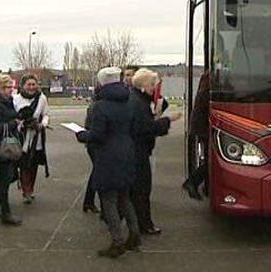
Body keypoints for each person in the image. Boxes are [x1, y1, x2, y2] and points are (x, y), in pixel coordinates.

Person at [76, 67, 140, 258]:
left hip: (108, 156)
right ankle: (134, 234)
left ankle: (117, 241)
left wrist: (82, 135)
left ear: (101, 82)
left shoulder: (100, 105)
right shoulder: (130, 100)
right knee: (124, 197)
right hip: (127, 151)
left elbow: (97, 135)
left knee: (109, 199)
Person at [129, 68, 182, 235]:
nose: (154, 88)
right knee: (142, 189)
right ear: (144, 85)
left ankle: (140, 223)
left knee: (137, 190)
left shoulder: (137, 100)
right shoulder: (139, 103)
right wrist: (167, 120)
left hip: (135, 150)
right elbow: (147, 128)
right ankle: (143, 225)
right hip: (138, 152)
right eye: (152, 84)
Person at [0, 74, 23, 226]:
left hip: (4, 144)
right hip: (0, 146)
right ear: (0, 88)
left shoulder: (7, 102)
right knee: (3, 179)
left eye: (12, 87)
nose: (11, 91)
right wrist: (14, 123)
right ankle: (5, 213)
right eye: (8, 88)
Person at [13, 74, 50, 204]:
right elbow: (13, 117)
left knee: (33, 163)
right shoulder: (16, 99)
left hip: (36, 136)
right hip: (21, 136)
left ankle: (31, 188)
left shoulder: (42, 99)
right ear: (23, 86)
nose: (31, 87)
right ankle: (26, 190)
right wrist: (21, 124)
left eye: (34, 84)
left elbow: (45, 115)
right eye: (28, 84)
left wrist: (42, 125)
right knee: (23, 163)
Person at [182, 71, 210, 200]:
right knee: (211, 161)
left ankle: (206, 187)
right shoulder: (208, 84)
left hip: (201, 126)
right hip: (203, 127)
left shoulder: (206, 81)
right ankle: (192, 182)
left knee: (210, 158)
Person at [82, 85, 102, 214]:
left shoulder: (95, 105)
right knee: (98, 172)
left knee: (97, 171)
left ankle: (89, 202)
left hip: (92, 143)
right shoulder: (97, 107)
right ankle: (90, 202)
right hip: (96, 144)